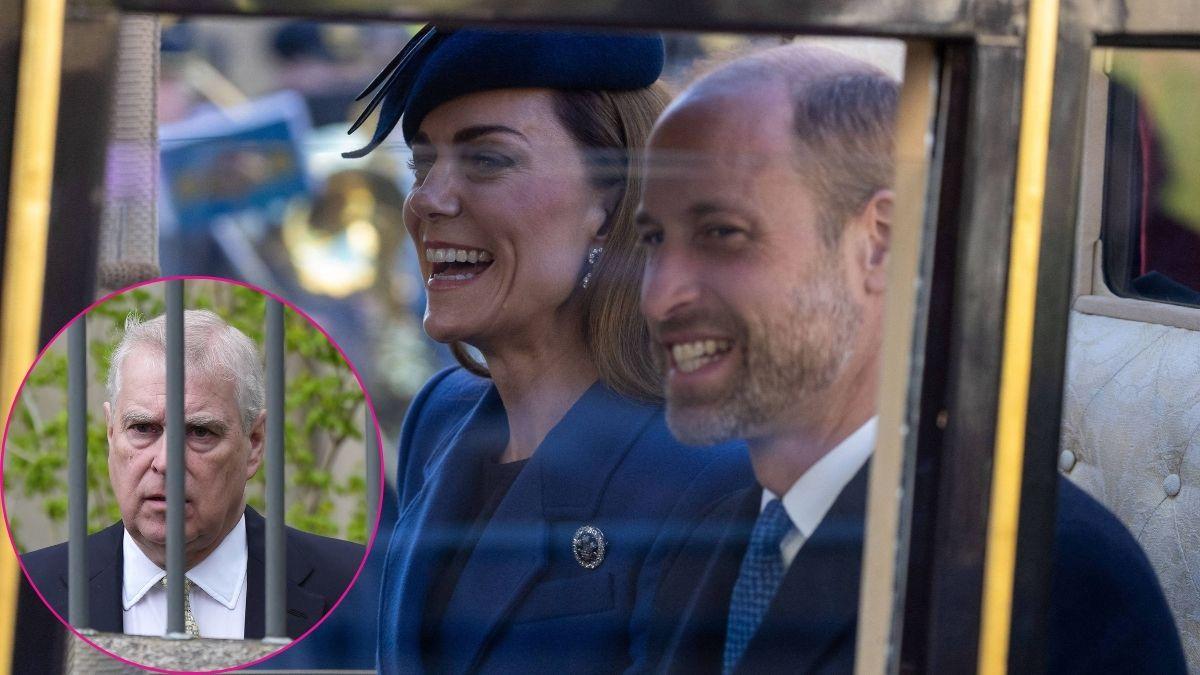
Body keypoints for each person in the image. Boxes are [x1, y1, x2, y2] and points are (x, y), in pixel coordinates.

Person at [635, 44, 1187, 673]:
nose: (657, 296)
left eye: (721, 233)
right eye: (653, 239)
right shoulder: (704, 543)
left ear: (879, 243)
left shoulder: (1043, 576)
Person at [344, 26, 752, 673]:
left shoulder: (705, 474)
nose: (426, 199)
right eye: (424, 163)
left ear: (614, 200)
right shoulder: (439, 416)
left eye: (486, 160)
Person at [22, 309, 363, 640]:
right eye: (142, 428)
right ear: (111, 433)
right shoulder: (28, 591)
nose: (165, 462)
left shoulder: (355, 584)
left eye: (200, 432)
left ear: (254, 443)